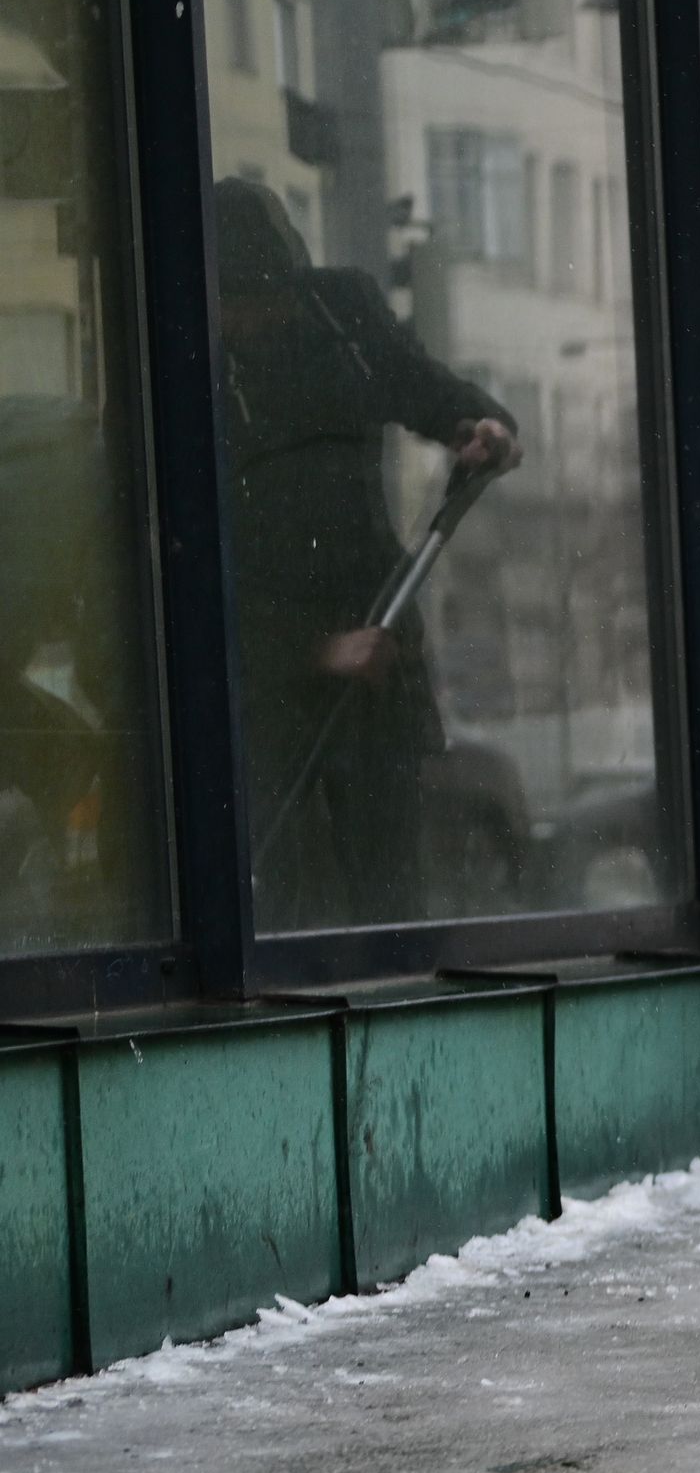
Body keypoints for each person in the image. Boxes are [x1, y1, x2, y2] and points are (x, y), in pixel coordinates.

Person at [207, 179, 519, 930]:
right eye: (242, 304)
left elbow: (420, 384)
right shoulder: (199, 368)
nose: (260, 316)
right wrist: (314, 649)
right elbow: (189, 567)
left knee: (386, 887)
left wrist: (476, 423)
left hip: (374, 637)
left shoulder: (339, 311)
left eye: (270, 296)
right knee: (274, 894)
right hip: (266, 679)